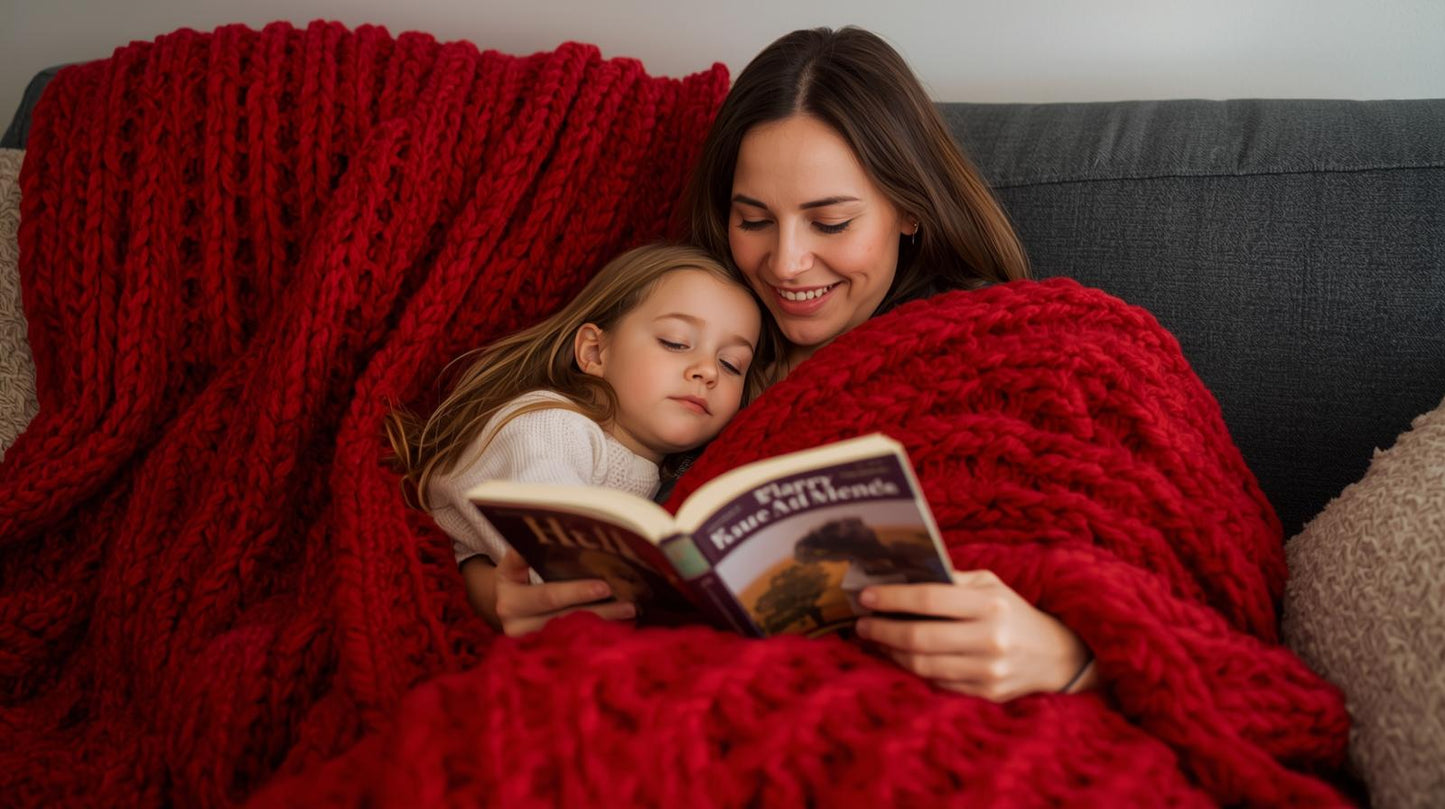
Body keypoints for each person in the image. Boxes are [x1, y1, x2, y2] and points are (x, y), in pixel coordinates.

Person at [484, 27, 1098, 701]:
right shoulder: (697, 339)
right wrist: (497, 595)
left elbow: (1169, 570)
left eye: (829, 222)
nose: (785, 263)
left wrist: (1066, 656)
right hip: (695, 691)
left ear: (910, 209)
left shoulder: (1012, 341)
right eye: (753, 220)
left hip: (933, 702)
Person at [385, 244, 767, 635]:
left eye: (731, 364)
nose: (707, 371)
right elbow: (559, 555)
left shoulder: (672, 468)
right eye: (675, 342)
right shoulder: (550, 424)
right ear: (594, 352)